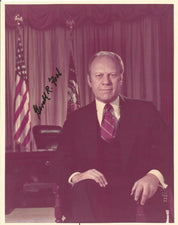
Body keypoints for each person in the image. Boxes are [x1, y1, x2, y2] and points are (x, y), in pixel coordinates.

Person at [57, 51, 172, 223]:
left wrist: (154, 176)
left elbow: (170, 149)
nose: (106, 81)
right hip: (91, 196)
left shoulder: (145, 111)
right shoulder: (76, 119)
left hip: (137, 193)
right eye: (99, 75)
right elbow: (60, 161)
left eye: (112, 75)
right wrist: (77, 176)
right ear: (89, 80)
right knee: (84, 189)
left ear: (121, 78)